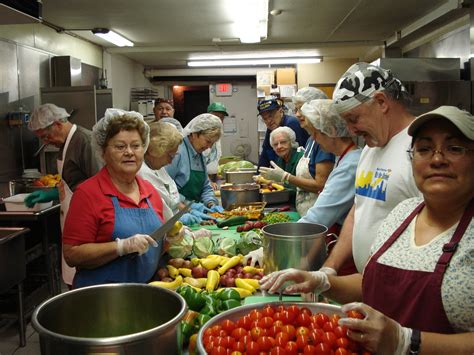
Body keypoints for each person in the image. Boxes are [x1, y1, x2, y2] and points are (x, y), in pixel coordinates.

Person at [260, 106, 474, 355]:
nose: (437, 159)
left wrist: (408, 342)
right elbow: (375, 280)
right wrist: (323, 281)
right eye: (424, 149)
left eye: (454, 148)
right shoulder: (403, 213)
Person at [322, 62, 420, 275]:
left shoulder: (422, 147)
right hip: (370, 285)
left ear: (381, 102)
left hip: (405, 289)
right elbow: (359, 210)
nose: (351, 130)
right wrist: (330, 268)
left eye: (353, 119)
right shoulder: (370, 148)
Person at [62, 109, 165, 288]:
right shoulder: (88, 193)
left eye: (136, 145)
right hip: (102, 298)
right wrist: (120, 247)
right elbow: (71, 254)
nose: (129, 152)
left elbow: (152, 248)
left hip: (146, 293)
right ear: (103, 153)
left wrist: (173, 240)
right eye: (120, 146)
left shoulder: (150, 191)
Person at [25, 103, 100, 288]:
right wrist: (54, 193)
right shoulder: (65, 143)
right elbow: (73, 182)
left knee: (84, 282)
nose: (45, 142)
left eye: (45, 136)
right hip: (72, 221)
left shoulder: (83, 140)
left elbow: (99, 184)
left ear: (58, 124)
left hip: (88, 225)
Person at [262, 88, 335, 217]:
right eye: (295, 110)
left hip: (319, 215)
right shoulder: (311, 140)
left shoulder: (324, 141)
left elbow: (320, 185)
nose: (297, 115)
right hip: (305, 211)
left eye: (301, 109)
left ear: (317, 108)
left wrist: (286, 177)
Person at [298, 99, 361, 232]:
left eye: (315, 133)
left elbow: (318, 218)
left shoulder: (350, 166)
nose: (313, 139)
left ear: (331, 131)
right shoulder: (343, 157)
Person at [139, 121, 213, 226]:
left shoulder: (157, 167)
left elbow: (173, 200)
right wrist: (180, 218)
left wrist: (190, 210)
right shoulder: (141, 173)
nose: (170, 162)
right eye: (170, 156)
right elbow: (160, 213)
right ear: (154, 150)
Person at [166, 113, 224, 212]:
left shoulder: (199, 153)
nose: (209, 147)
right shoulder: (177, 152)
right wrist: (188, 207)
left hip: (193, 212)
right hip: (176, 212)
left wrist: (210, 203)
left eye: (212, 143)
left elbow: (205, 186)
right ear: (194, 134)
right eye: (208, 141)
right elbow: (165, 188)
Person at [257, 97, 309, 168]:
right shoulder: (272, 127)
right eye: (265, 118)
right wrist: (259, 174)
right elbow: (265, 152)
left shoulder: (292, 123)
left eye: (271, 116)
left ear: (281, 112)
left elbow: (298, 153)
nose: (269, 120)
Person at [261, 126, 304, 204]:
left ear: (291, 142)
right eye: (275, 144)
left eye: (283, 142)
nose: (279, 146)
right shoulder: (281, 159)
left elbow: (302, 187)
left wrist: (281, 184)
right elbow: (280, 183)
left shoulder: (301, 158)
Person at [203, 102, 228, 190]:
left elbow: (214, 157)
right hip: (203, 180)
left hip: (213, 179)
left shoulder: (218, 136)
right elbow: (198, 163)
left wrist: (215, 175)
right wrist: (208, 180)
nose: (219, 120)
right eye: (216, 116)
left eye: (221, 117)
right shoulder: (202, 134)